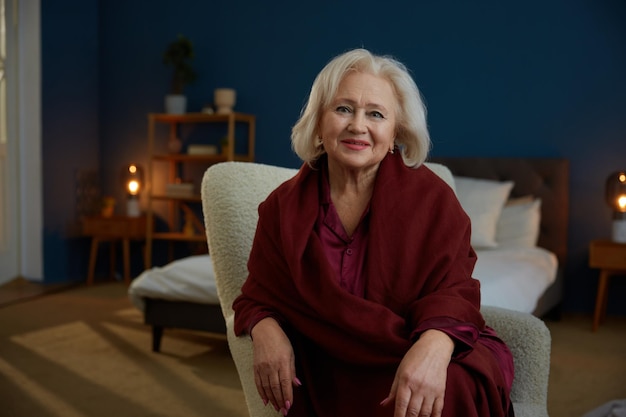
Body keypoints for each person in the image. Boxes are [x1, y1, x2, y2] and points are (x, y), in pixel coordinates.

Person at [232, 48, 515, 417]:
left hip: (422, 341)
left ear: (396, 130)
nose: (357, 126)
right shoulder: (281, 208)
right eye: (343, 109)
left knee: (449, 386)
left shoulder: (434, 200)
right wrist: (265, 329)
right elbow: (259, 293)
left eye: (376, 114)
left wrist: (434, 346)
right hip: (330, 362)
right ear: (319, 121)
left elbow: (454, 291)